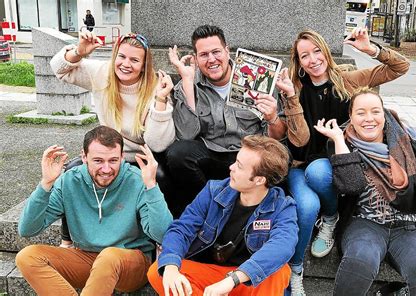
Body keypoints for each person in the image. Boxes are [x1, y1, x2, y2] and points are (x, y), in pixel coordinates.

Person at [275, 27, 409, 295]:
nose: (312, 60)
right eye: (304, 56)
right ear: (298, 62)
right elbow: (299, 141)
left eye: (316, 52)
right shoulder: (293, 87)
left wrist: (370, 48)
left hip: (336, 164)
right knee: (306, 204)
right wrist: (290, 97)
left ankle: (331, 216)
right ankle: (297, 269)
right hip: (301, 165)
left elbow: (400, 67)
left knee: (319, 172)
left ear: (325, 51)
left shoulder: (348, 81)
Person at [314, 72, 416, 295]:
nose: (369, 118)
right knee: (357, 265)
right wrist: (337, 140)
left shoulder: (412, 139)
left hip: (413, 226)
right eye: (361, 112)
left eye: (375, 111)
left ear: (384, 115)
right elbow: (352, 185)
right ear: (351, 116)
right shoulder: (342, 144)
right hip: (365, 224)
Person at [15, 125, 174, 295]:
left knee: (109, 256)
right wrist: (46, 184)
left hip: (130, 262)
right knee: (28, 257)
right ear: (84, 157)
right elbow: (27, 229)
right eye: (98, 161)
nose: (106, 169)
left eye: (113, 160)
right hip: (87, 258)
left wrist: (151, 186)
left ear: (122, 157)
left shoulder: (137, 180)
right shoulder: (69, 180)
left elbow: (163, 235)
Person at [50, 31, 175, 245]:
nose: (126, 64)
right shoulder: (102, 73)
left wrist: (161, 100)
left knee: (159, 177)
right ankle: (68, 238)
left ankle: (153, 240)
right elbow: (59, 69)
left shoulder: (156, 86)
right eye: (122, 56)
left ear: (144, 65)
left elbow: (158, 143)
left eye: (135, 60)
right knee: (73, 170)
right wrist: (79, 52)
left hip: (138, 156)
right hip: (107, 152)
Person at [147, 135, 298, 296]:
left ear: (259, 180)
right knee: (159, 270)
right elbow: (181, 229)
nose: (231, 167)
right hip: (212, 277)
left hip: (248, 280)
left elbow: (282, 246)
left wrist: (233, 279)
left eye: (239, 166)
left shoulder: (283, 207)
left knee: (279, 271)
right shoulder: (214, 191)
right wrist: (170, 266)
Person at [165, 24, 287, 214]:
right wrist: (188, 84)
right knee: (177, 153)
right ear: (196, 58)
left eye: (216, 52)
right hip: (212, 152)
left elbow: (276, 138)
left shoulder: (257, 78)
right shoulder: (188, 82)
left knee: (281, 158)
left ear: (227, 51)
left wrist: (272, 118)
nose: (211, 60)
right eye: (204, 55)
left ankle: (253, 215)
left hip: (249, 153)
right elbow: (186, 135)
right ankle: (210, 210)